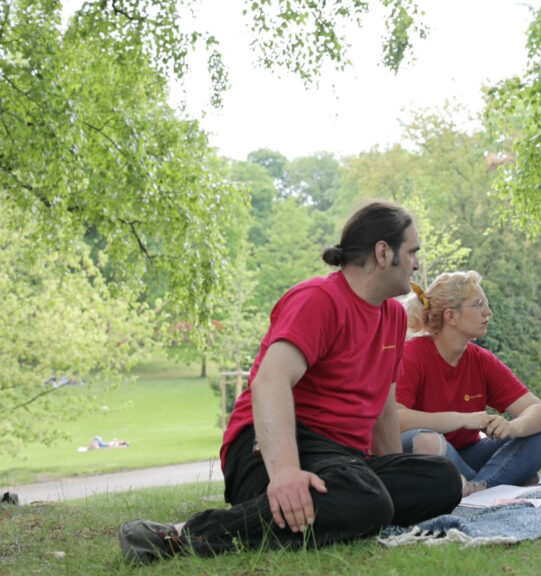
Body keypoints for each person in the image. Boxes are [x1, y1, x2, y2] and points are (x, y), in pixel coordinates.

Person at [118, 202, 462, 564]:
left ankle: (344, 508)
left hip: (343, 463)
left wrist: (394, 475)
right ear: (382, 252)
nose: (417, 264)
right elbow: (271, 381)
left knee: (442, 479)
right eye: (412, 252)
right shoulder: (318, 299)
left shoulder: (393, 317)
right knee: (368, 500)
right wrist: (284, 473)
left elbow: (383, 416)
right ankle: (182, 535)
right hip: (269, 448)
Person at [398, 271, 541, 494]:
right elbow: (396, 419)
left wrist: (513, 427)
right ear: (451, 316)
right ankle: (501, 482)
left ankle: (476, 489)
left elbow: (538, 411)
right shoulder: (412, 355)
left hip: (468, 456)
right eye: (478, 304)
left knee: (538, 439)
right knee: (425, 441)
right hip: (429, 457)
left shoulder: (481, 360)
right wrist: (463, 420)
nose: (488, 312)